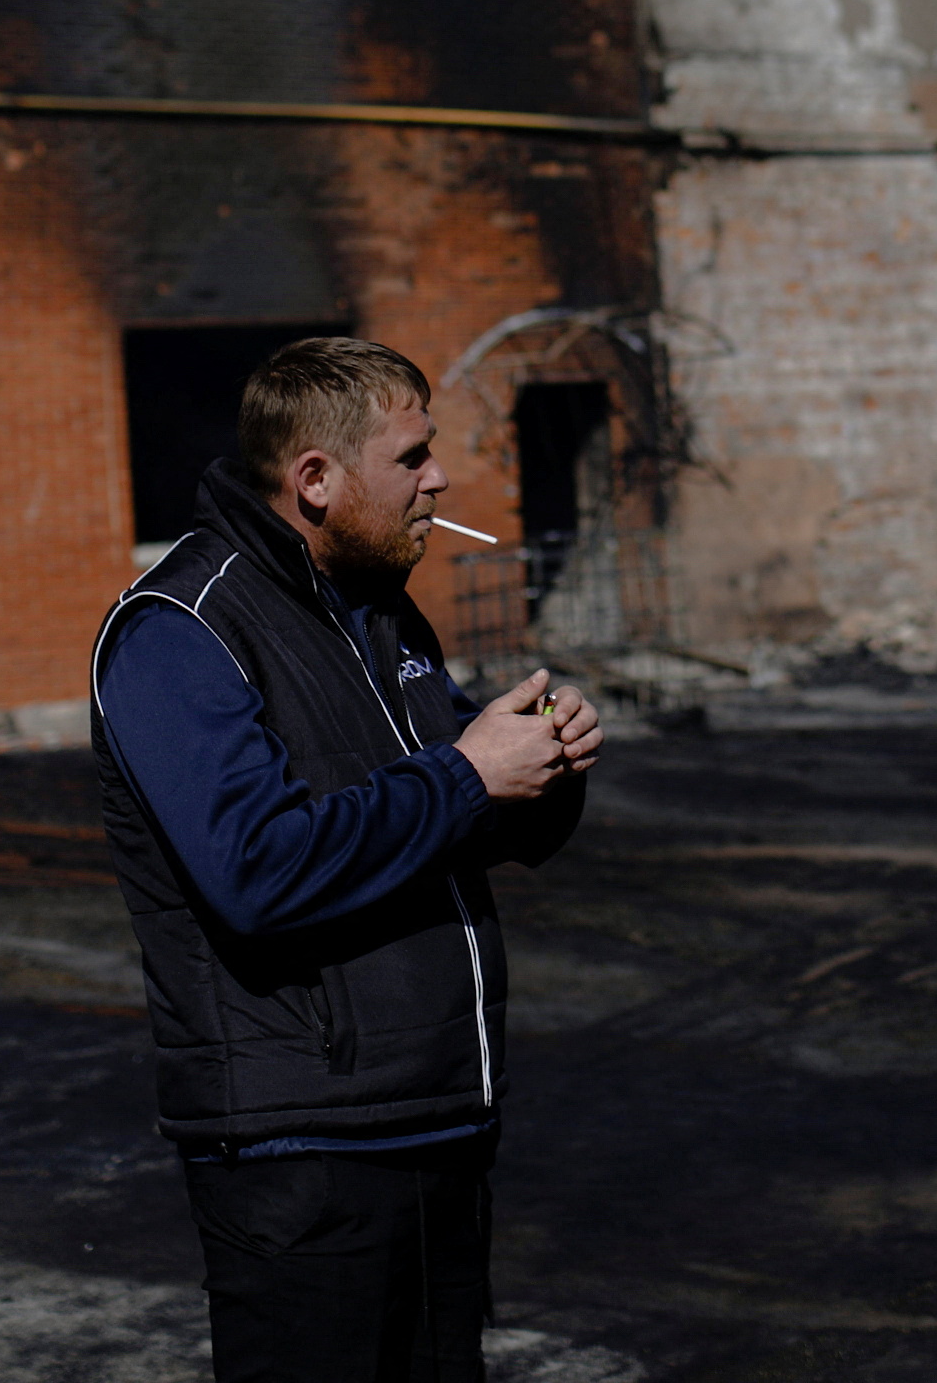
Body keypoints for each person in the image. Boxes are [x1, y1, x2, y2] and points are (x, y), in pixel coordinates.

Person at [89, 335, 600, 1382]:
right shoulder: (179, 627)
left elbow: (472, 817)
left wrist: (545, 759)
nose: (441, 478)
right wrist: (467, 772)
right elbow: (259, 872)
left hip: (435, 1122)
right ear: (315, 479)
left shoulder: (379, 611)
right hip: (303, 1151)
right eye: (412, 456)